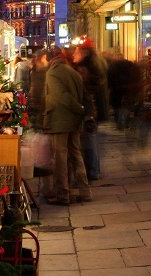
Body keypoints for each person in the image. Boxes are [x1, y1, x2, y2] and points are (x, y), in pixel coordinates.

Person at [41, 46, 91, 205]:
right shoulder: (73, 72)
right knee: (76, 155)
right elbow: (84, 95)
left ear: (50, 59)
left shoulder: (52, 73)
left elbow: (61, 97)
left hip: (59, 121)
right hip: (74, 121)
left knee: (60, 158)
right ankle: (85, 191)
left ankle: (63, 194)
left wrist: (78, 108)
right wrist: (82, 111)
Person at [72, 38, 106, 180]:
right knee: (90, 139)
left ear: (84, 52)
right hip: (94, 108)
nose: (74, 53)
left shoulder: (85, 68)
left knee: (89, 140)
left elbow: (87, 90)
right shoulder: (94, 64)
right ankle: (94, 170)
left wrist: (87, 110)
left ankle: (93, 171)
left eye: (77, 50)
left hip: (89, 109)